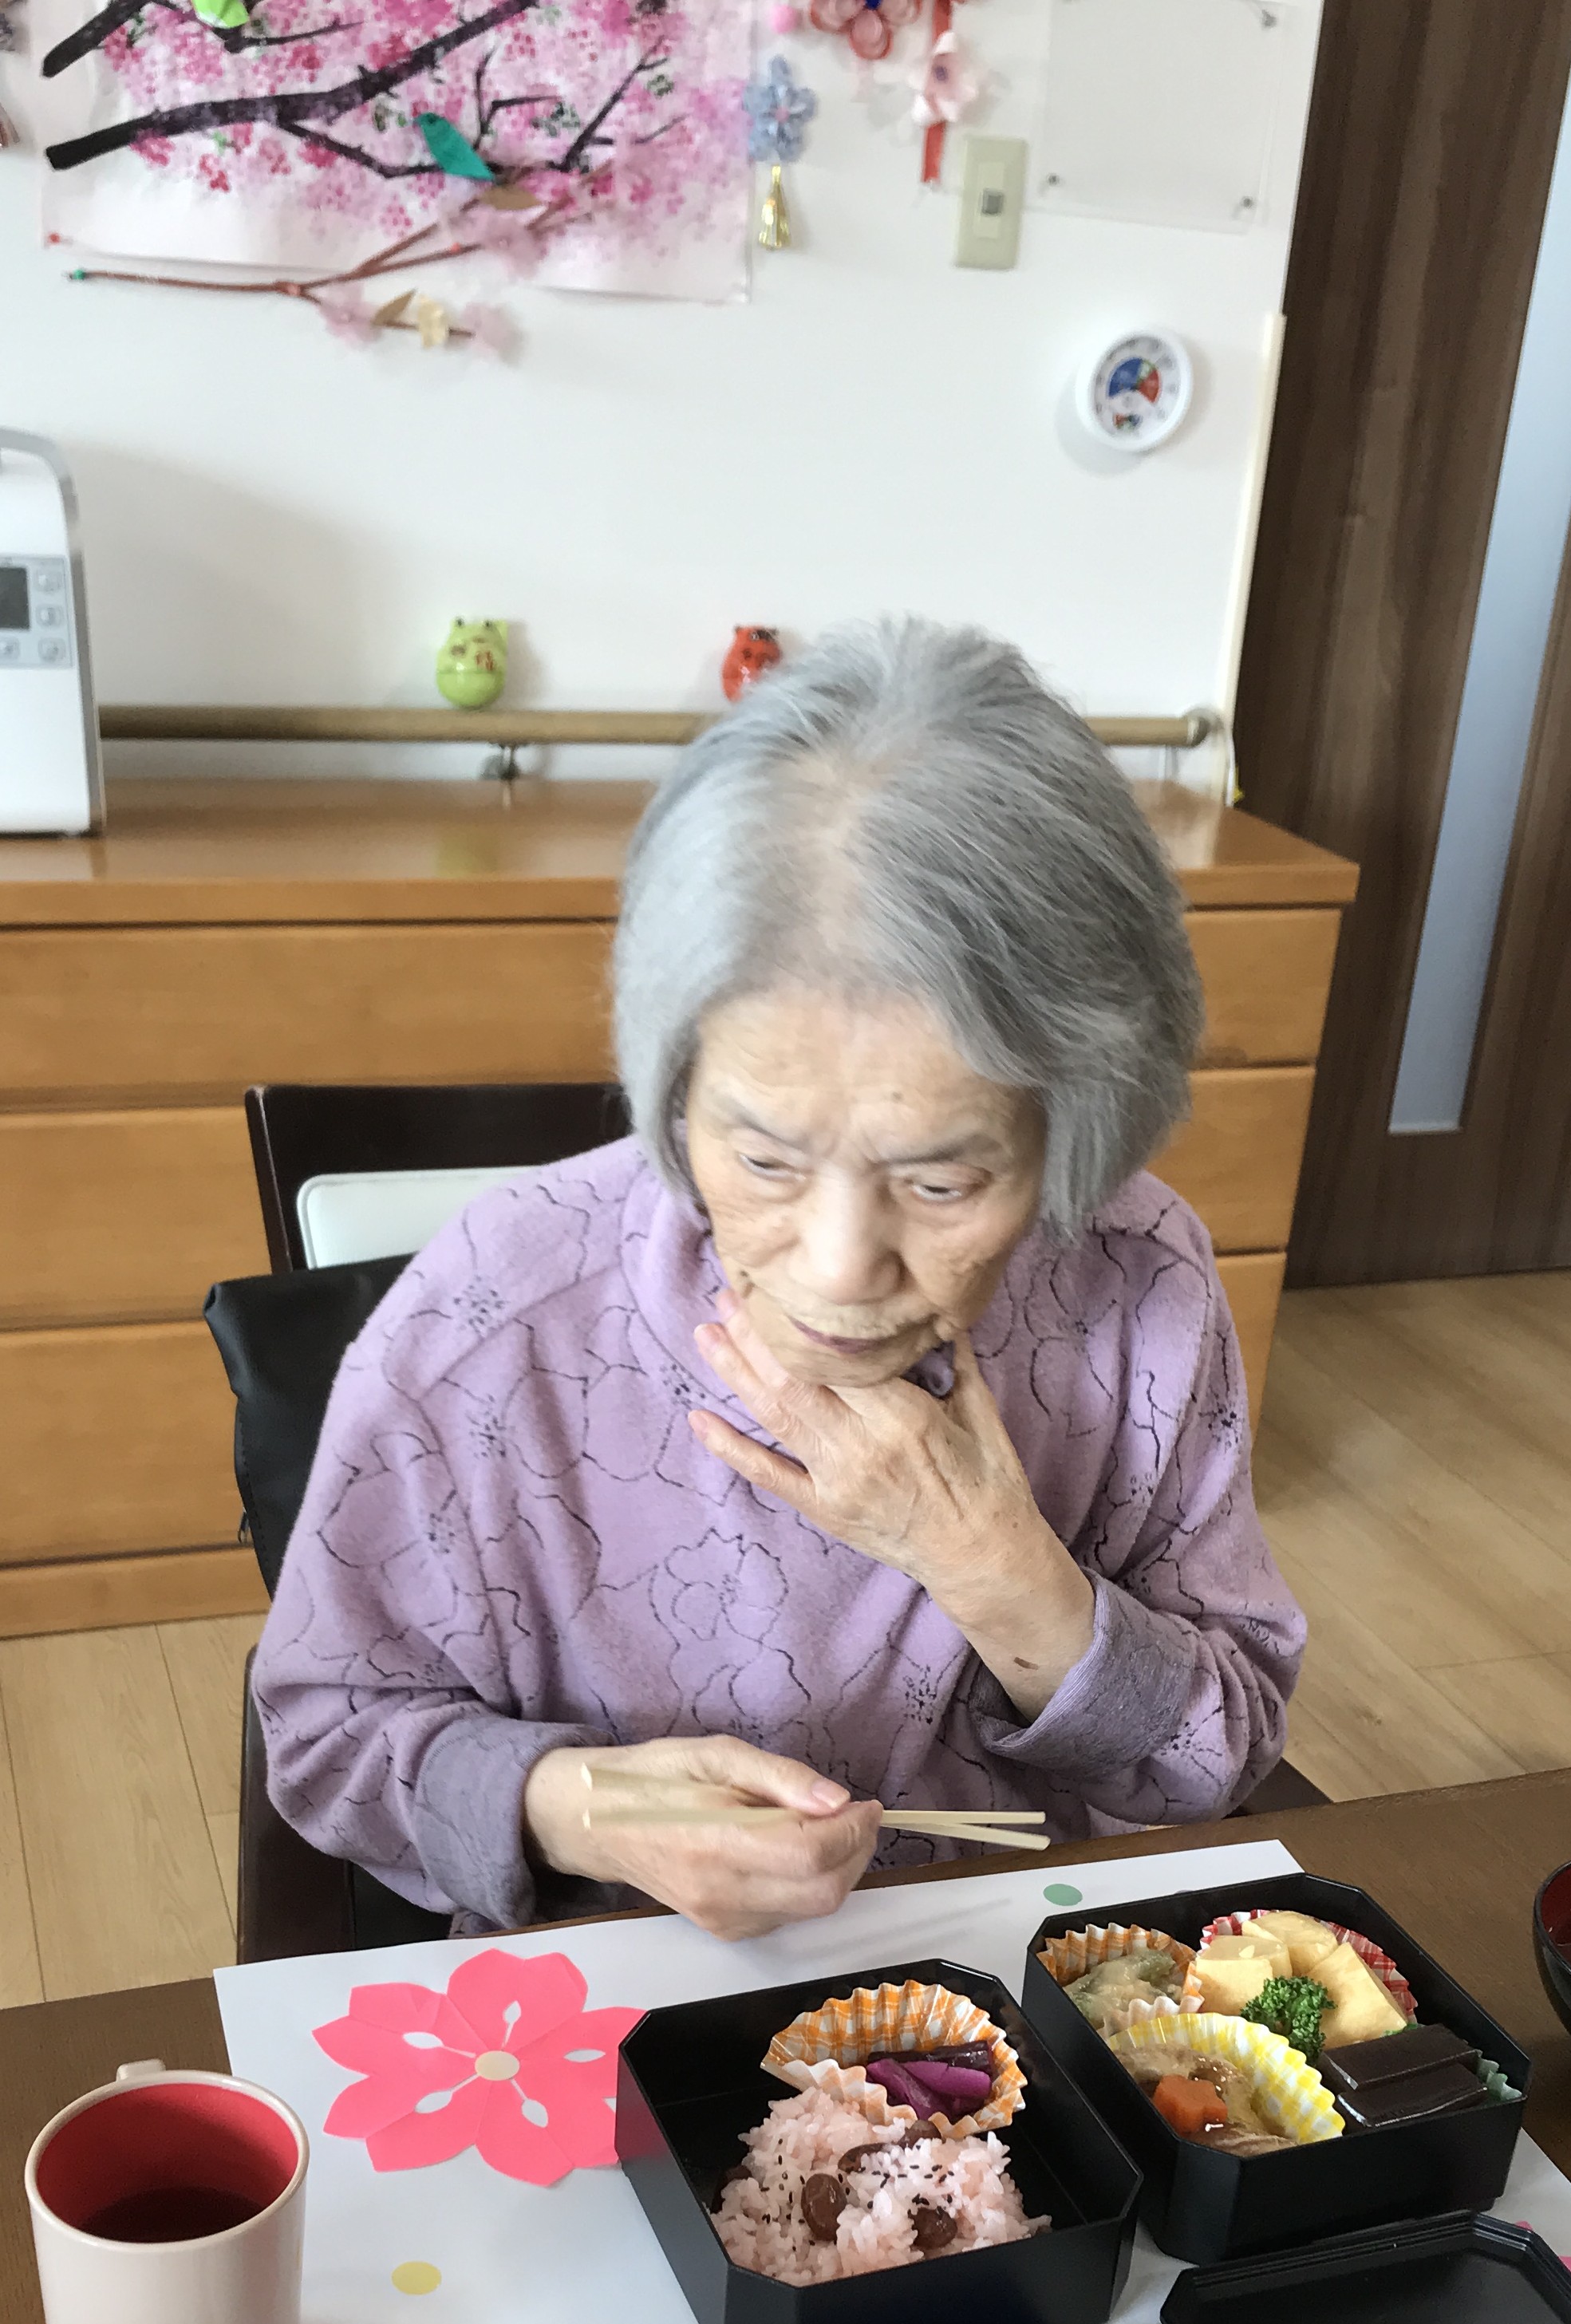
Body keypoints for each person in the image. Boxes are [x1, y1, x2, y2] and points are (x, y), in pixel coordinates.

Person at [253, 618, 1306, 1939]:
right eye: (762, 1159)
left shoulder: (1135, 1284)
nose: (838, 1266)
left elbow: (1220, 1757)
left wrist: (993, 1566)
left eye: (942, 1182)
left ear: (1079, 1127)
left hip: (1033, 1971)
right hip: (618, 1991)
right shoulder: (494, 1320)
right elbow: (327, 1736)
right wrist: (584, 1809)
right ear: (673, 1085)